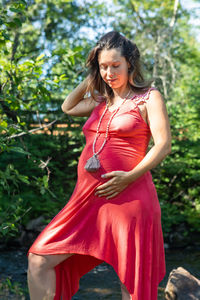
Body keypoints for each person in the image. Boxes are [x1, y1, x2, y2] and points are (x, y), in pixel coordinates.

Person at [27, 31, 171, 300]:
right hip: (86, 200)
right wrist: (93, 77)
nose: (109, 72)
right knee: (39, 258)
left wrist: (129, 177)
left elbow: (163, 145)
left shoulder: (148, 97)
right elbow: (68, 106)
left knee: (131, 282)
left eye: (115, 65)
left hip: (129, 197)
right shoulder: (101, 100)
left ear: (130, 63)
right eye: (103, 66)